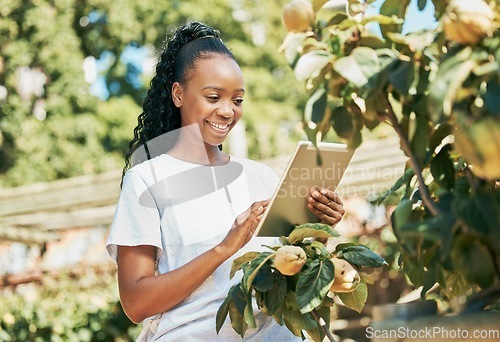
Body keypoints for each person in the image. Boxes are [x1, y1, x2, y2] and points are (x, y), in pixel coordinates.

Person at [106, 21, 346, 341]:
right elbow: (136, 303)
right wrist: (226, 247)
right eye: (213, 96)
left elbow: (291, 282)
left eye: (237, 100)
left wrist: (318, 231)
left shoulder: (262, 176)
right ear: (178, 94)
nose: (227, 111)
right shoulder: (147, 180)